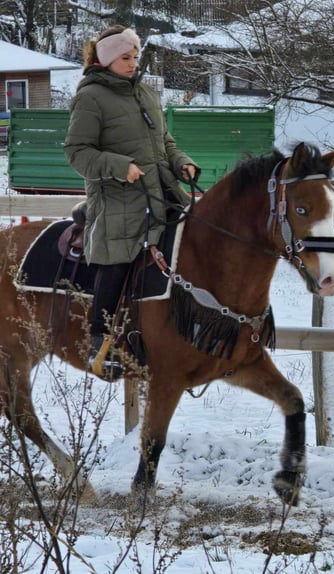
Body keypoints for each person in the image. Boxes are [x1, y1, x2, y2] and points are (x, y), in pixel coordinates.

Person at [64, 25, 199, 380]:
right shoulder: (90, 97)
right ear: (106, 60)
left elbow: (164, 142)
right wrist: (120, 167)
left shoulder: (147, 93)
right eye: (125, 57)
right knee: (119, 258)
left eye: (135, 56)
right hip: (117, 200)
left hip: (162, 191)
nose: (133, 62)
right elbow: (77, 153)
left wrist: (181, 160)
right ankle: (101, 343)